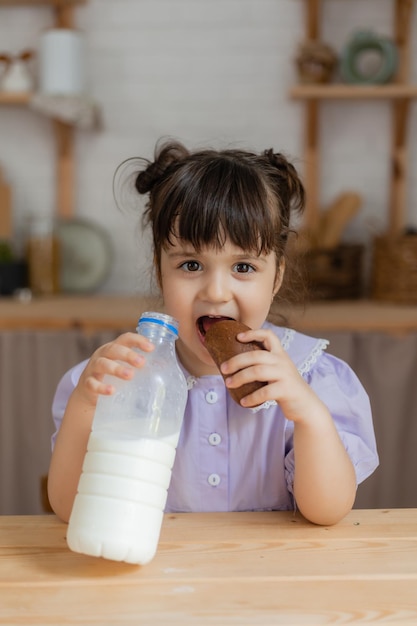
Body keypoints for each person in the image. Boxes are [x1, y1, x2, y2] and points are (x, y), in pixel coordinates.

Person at [48, 139, 378, 525]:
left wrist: (308, 414)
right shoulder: (126, 380)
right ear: (160, 271)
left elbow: (327, 511)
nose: (216, 292)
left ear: (277, 277)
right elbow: (71, 508)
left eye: (243, 267)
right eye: (190, 265)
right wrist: (87, 405)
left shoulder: (312, 378)